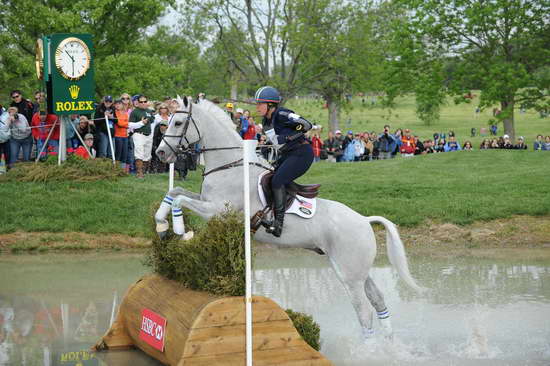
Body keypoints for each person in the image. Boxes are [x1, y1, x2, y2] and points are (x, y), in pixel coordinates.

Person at [255, 86, 313, 237]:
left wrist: (289, 137)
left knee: (278, 180)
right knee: (269, 176)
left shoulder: (282, 114)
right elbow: (277, 143)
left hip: (302, 153)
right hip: (287, 154)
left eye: (260, 104)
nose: (257, 107)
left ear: (271, 105)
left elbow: (306, 125)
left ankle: (278, 225)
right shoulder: (265, 120)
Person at [129, 95, 154, 178]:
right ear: (138, 103)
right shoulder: (134, 112)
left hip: (148, 135)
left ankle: (143, 172)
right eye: (141, 102)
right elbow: (130, 125)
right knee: (139, 153)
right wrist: (141, 123)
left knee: (147, 154)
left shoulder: (149, 111)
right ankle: (139, 173)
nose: (143, 103)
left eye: (145, 101)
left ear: (147, 102)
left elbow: (153, 121)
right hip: (139, 134)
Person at [113, 99, 129, 170]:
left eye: (119, 104)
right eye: (116, 104)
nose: (118, 105)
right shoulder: (114, 113)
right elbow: (119, 123)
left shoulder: (125, 113)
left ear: (122, 105)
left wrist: (123, 123)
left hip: (125, 136)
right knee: (118, 154)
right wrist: (124, 123)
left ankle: (123, 170)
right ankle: (117, 169)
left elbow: (128, 123)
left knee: (124, 154)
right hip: (117, 136)